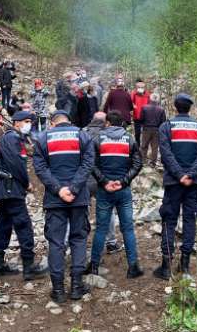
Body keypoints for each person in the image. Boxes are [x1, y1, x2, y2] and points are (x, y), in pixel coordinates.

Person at [33, 110, 94, 303]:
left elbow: (40, 168)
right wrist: (74, 188)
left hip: (54, 199)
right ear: (69, 120)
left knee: (56, 243)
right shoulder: (82, 135)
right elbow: (88, 163)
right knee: (78, 239)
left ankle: (58, 290)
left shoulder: (43, 138)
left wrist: (59, 190)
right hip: (79, 198)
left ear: (52, 123)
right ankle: (77, 287)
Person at [153, 94, 197, 280]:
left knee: (169, 219)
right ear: (190, 108)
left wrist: (179, 175)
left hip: (173, 182)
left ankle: (166, 265)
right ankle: (184, 264)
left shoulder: (166, 126)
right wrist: (190, 175)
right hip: (193, 184)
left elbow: (166, 153)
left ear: (175, 107)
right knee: (190, 220)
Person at [0, 111, 48, 280]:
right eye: (25, 121)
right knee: (24, 225)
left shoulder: (12, 138)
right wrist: (26, 183)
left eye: (30, 121)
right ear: (16, 123)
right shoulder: (12, 139)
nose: (28, 124)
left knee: (4, 224)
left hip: (8, 188)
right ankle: (28, 266)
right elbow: (16, 164)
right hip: (12, 188)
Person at [87, 110, 144, 278]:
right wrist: (124, 181)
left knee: (101, 230)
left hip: (104, 190)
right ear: (121, 124)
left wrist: (104, 181)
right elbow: (138, 163)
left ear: (107, 123)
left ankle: (94, 266)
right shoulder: (130, 139)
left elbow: (90, 163)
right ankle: (133, 266)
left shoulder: (98, 139)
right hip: (123, 190)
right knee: (128, 229)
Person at [83, 111, 121, 254]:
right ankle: (111, 242)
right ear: (106, 122)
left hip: (84, 179)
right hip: (103, 179)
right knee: (108, 211)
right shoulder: (109, 136)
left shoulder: (82, 133)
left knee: (82, 212)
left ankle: (80, 243)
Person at [139, 93, 166, 168]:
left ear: (150, 99)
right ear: (157, 100)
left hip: (146, 129)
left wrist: (143, 125)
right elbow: (163, 121)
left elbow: (141, 119)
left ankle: (143, 161)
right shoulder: (161, 109)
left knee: (144, 146)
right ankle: (153, 163)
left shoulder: (144, 107)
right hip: (157, 129)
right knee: (155, 147)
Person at [130, 80, 151, 146]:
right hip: (137, 116)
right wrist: (133, 106)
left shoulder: (147, 94)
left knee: (146, 133)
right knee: (137, 133)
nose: (141, 88)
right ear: (136, 87)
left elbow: (150, 103)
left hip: (146, 117)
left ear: (144, 87)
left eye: (142, 87)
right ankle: (137, 146)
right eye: (139, 87)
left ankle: (144, 146)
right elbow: (130, 102)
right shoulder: (134, 93)